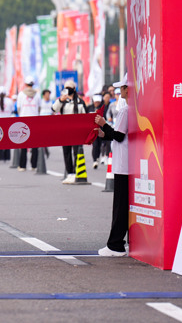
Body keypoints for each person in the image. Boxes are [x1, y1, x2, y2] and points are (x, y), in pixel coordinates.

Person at [95, 73, 130, 256]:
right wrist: (104, 133)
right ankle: (124, 242)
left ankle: (115, 245)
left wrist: (103, 124)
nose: (119, 91)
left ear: (127, 89)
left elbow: (119, 135)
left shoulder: (125, 109)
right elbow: (118, 133)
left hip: (123, 164)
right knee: (128, 205)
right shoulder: (133, 107)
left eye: (122, 88)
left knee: (120, 206)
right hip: (127, 162)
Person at [52, 79, 87, 183]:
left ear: (74, 89)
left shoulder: (80, 102)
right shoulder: (62, 101)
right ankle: (70, 173)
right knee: (66, 152)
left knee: (77, 152)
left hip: (77, 131)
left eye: (69, 88)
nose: (68, 90)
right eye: (66, 88)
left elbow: (85, 117)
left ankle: (77, 172)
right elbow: (54, 109)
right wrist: (61, 100)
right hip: (65, 131)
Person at [16, 77, 40, 170]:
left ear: (25, 84)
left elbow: (18, 108)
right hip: (34, 120)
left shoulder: (21, 94)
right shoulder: (37, 95)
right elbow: (39, 108)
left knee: (23, 144)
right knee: (34, 144)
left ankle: (22, 166)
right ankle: (34, 165)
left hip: (24, 121)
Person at [0, 86, 14, 162]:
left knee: (0, 140)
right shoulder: (9, 101)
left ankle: (0, 156)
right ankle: (7, 156)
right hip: (8, 123)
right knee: (7, 140)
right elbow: (12, 111)